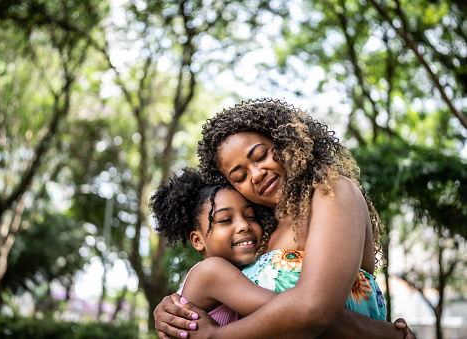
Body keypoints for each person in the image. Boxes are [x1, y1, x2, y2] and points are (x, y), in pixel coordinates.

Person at [154, 98, 416, 339]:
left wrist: (218, 337)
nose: (255, 174)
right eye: (239, 177)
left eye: (261, 155)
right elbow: (218, 289)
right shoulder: (261, 233)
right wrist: (172, 308)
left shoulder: (331, 192)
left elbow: (316, 309)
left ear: (287, 142)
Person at [150, 167, 278, 327]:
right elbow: (287, 310)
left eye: (251, 216)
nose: (244, 225)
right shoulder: (211, 271)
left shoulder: (242, 271)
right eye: (225, 220)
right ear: (197, 240)